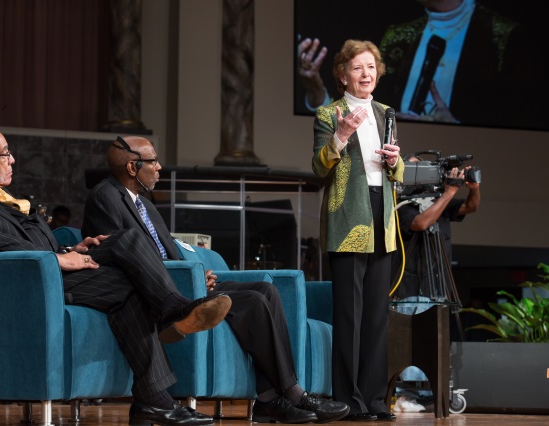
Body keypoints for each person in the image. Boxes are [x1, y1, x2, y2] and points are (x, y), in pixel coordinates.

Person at [0, 126, 234, 426]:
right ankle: (157, 386)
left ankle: (158, 377)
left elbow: (29, 240)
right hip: (29, 280)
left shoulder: (2, 196)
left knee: (126, 240)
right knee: (132, 284)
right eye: (6, 153)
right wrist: (55, 258)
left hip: (49, 267)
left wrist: (71, 248)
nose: (13, 160)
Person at [81, 135, 351, 424]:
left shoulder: (145, 205)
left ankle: (276, 397)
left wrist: (197, 273)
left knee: (267, 291)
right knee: (255, 300)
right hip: (162, 292)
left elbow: (167, 253)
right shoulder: (105, 196)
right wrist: (186, 279)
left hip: (184, 282)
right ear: (133, 167)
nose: (159, 167)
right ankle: (285, 396)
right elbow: (123, 256)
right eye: (153, 161)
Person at [311, 39, 404, 422]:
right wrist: (342, 135)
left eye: (371, 67)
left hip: (382, 215)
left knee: (377, 316)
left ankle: (375, 399)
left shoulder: (386, 113)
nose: (366, 74)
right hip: (348, 217)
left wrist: (396, 162)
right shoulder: (328, 114)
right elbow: (319, 169)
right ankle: (348, 400)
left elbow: (395, 174)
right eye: (357, 68)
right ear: (342, 75)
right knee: (349, 315)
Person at [297, 0, 538, 128]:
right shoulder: (398, 36)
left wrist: (454, 126)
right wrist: (316, 89)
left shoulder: (505, 37)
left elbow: (521, 117)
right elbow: (356, 117)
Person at [390, 154, 480, 412]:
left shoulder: (441, 201)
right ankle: (407, 394)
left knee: (434, 344)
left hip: (437, 287)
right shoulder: (402, 204)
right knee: (409, 347)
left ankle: (432, 392)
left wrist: (473, 188)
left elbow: (471, 207)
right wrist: (450, 192)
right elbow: (420, 222)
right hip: (409, 289)